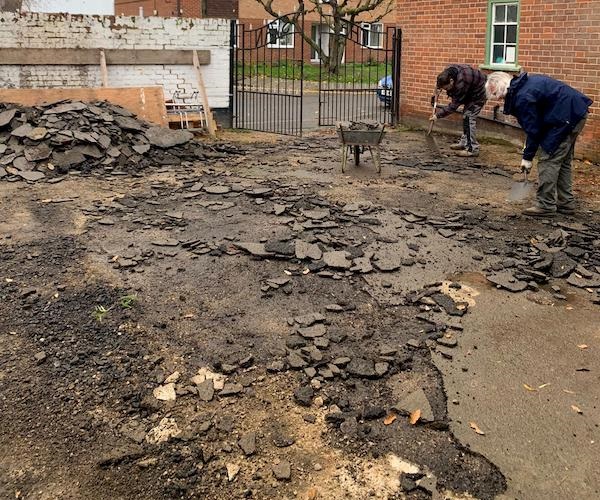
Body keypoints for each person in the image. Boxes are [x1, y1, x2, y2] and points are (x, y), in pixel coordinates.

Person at [485, 72, 593, 216]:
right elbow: (536, 126)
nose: (497, 98)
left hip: (564, 118)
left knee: (548, 159)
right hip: (575, 112)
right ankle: (566, 202)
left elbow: (534, 130)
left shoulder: (522, 97)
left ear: (501, 86)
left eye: (495, 93)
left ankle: (546, 205)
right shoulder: (524, 85)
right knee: (563, 160)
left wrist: (527, 157)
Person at [429, 64, 487, 157]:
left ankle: (472, 149)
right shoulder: (448, 72)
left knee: (469, 117)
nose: (446, 90)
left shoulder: (461, 83)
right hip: (470, 90)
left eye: (447, 88)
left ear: (451, 81)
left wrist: (437, 115)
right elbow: (439, 84)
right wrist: (436, 91)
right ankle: (464, 143)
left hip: (479, 93)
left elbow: (453, 106)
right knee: (466, 117)